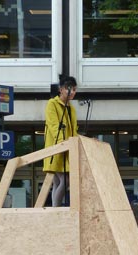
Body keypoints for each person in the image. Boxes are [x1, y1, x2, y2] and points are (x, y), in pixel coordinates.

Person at [43, 74, 78, 207]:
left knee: (58, 182)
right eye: (69, 89)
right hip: (57, 148)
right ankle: (55, 209)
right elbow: (54, 125)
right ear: (61, 89)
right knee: (65, 180)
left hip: (67, 149)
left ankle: (54, 209)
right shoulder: (52, 104)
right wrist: (63, 143)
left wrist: (75, 143)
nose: (72, 92)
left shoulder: (71, 108)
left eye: (74, 89)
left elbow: (73, 130)